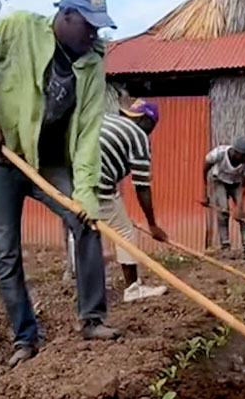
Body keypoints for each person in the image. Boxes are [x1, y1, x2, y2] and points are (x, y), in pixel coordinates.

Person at [0, 0, 121, 368]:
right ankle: (25, 338)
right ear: (66, 15)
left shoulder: (92, 62)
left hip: (49, 163)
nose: (94, 34)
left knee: (86, 222)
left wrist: (85, 195)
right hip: (4, 158)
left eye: (99, 27)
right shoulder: (16, 29)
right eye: (89, 25)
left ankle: (93, 319)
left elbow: (86, 135)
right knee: (7, 250)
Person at [64, 100, 169, 303]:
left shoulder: (107, 120)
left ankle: (81, 284)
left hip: (72, 181)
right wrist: (153, 225)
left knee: (81, 231)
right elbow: (142, 187)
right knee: (124, 232)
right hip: (95, 187)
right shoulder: (139, 137)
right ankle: (132, 289)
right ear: (147, 121)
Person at [203, 136, 245, 255]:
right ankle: (225, 246)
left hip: (236, 184)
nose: (244, 158)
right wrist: (204, 191)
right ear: (235, 152)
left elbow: (243, 185)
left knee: (244, 215)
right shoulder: (219, 154)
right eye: (242, 155)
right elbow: (205, 168)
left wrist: (239, 207)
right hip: (218, 181)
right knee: (223, 211)